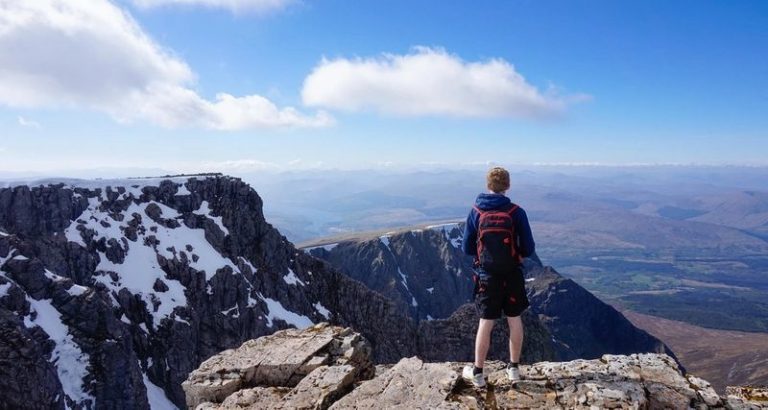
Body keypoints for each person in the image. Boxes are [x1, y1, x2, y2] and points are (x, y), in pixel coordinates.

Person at [461, 167, 535, 387]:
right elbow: (529, 248)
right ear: (508, 186)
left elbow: (466, 247)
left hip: (487, 276)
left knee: (486, 322)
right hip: (512, 274)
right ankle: (513, 369)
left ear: (488, 185)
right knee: (514, 319)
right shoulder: (516, 212)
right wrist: (516, 255)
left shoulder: (476, 211)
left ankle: (478, 372)